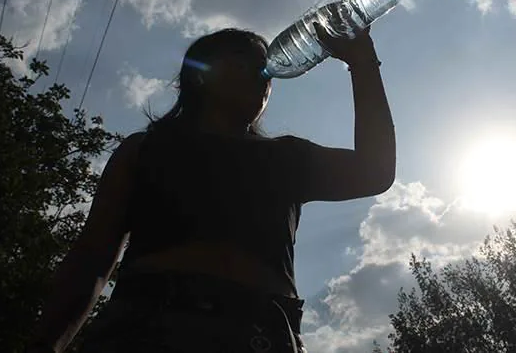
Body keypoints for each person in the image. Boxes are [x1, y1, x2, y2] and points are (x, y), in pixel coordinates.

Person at [27, 22, 395, 353]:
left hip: (262, 331)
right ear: (200, 75)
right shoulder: (147, 149)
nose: (262, 75)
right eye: (243, 62)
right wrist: (46, 343)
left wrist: (362, 62)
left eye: (264, 70)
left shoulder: (286, 157)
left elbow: (374, 171)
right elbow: (93, 254)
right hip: (146, 326)